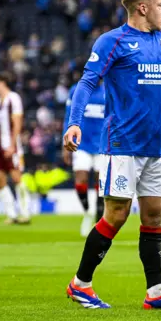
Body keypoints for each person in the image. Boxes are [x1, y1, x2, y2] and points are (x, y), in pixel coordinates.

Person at [63, 0, 161, 310]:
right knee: (116, 214)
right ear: (142, 7)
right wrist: (74, 122)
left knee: (154, 216)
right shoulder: (112, 41)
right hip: (122, 144)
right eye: (160, 4)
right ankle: (80, 284)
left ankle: (155, 292)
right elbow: (87, 82)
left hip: (156, 145)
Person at [62, 81, 106, 237]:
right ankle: (87, 212)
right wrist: (64, 142)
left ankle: (99, 222)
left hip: (103, 144)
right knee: (80, 180)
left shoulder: (109, 88)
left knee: (101, 183)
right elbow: (68, 115)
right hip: (81, 144)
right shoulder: (76, 89)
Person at [0, 72, 30, 225]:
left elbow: (17, 122)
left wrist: (13, 145)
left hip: (11, 145)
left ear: (2, 82)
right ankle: (11, 214)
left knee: (16, 177)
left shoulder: (13, 98)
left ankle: (25, 213)